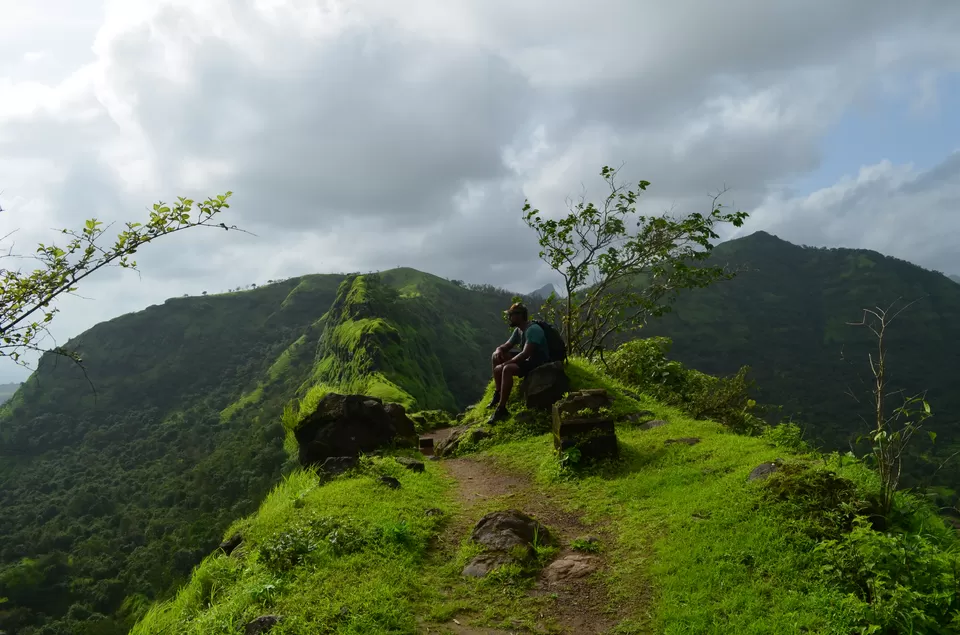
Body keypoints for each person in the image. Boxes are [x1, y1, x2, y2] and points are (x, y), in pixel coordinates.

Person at [487, 303, 549, 423]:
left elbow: (525, 354)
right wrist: (499, 349)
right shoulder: (518, 330)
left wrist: (505, 364)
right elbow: (508, 345)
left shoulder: (533, 330)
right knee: (496, 356)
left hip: (537, 361)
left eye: (511, 315)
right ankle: (498, 393)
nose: (509, 318)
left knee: (507, 369)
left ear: (520, 316)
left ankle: (501, 408)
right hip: (528, 359)